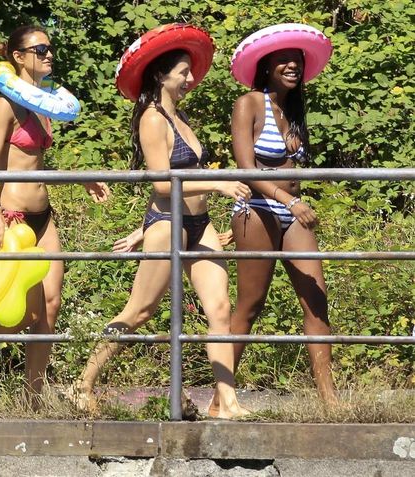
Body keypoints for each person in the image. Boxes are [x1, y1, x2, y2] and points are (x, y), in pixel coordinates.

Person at [69, 24, 251, 419]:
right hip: (169, 222)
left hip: (200, 224)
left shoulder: (179, 114)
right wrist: (219, 185)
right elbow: (160, 182)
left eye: (189, 72)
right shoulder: (152, 119)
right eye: (183, 72)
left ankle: (228, 403)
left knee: (220, 309)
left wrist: (211, 200)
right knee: (140, 311)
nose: (190, 79)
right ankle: (82, 383)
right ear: (160, 76)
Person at [0, 25, 109, 401]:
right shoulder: (5, 105)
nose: (49, 54)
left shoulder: (41, 104)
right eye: (40, 49)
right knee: (26, 316)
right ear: (18, 56)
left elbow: (36, 166)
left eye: (50, 48)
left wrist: (78, 178)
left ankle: (34, 395)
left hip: (45, 216)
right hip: (14, 218)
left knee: (50, 306)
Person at [214, 24, 338, 410]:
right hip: (259, 211)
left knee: (317, 300)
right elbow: (246, 169)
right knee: (251, 304)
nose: (292, 65)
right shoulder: (248, 103)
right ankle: (222, 399)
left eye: (298, 60)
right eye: (284, 59)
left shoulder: (295, 110)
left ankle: (330, 401)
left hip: (291, 214)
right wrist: (288, 199)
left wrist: (294, 201)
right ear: (266, 65)